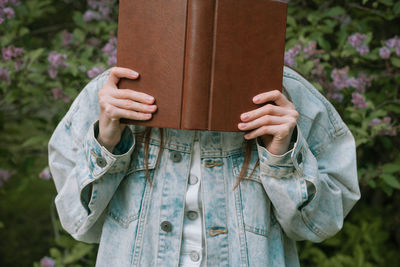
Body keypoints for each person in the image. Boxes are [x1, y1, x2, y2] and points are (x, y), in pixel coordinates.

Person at [48, 66, 361, 267]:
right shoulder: (112, 94)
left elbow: (321, 224)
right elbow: (76, 221)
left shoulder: (286, 97)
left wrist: (282, 154)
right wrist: (107, 141)